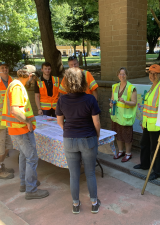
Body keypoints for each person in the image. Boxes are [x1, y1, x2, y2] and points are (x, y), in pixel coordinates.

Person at [56, 67, 101, 214]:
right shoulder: (90, 99)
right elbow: (97, 123)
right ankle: (94, 203)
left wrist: (68, 130)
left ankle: (75, 205)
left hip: (69, 139)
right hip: (88, 138)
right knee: (90, 173)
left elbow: (60, 122)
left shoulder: (61, 100)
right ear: (82, 81)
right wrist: (97, 135)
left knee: (73, 174)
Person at [1, 65, 49, 200]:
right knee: (32, 157)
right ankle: (31, 189)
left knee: (23, 155)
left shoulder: (14, 85)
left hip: (16, 128)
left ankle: (25, 183)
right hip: (22, 128)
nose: (33, 82)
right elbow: (15, 110)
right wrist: (28, 122)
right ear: (30, 76)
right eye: (33, 79)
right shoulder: (17, 87)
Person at [133, 64, 160, 180]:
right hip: (147, 123)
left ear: (159, 75)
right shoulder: (152, 87)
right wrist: (142, 121)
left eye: (155, 74)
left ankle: (157, 172)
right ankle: (145, 164)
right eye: (150, 73)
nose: (152, 76)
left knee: (155, 149)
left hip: (155, 125)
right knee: (144, 144)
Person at [110, 67, 137, 162]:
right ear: (118, 75)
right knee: (118, 135)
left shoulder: (131, 88)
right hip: (116, 116)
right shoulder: (114, 86)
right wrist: (111, 103)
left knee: (127, 136)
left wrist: (125, 102)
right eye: (120, 74)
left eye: (124, 74)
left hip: (126, 117)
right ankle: (120, 151)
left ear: (127, 75)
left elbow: (134, 103)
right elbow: (112, 99)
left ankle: (128, 153)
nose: (122, 76)